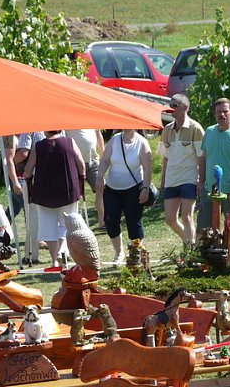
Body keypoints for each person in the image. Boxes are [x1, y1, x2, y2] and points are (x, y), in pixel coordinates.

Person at [23, 130, 85, 267]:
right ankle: (62, 249)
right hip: (68, 190)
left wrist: (27, 176)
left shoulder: (38, 146)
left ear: (46, 131)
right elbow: (81, 164)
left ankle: (54, 261)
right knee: (67, 222)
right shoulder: (70, 142)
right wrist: (81, 179)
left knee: (47, 225)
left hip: (44, 192)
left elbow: (28, 170)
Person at [96, 129, 153, 264]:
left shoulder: (142, 143)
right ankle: (119, 252)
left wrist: (145, 188)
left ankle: (136, 253)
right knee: (110, 222)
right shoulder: (114, 139)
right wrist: (99, 176)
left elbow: (147, 169)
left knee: (134, 223)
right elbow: (105, 160)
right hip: (112, 188)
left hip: (134, 188)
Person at [196, 97, 230, 233]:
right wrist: (201, 182)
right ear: (214, 114)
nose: (221, 115)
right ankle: (203, 254)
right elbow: (203, 158)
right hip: (210, 191)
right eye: (218, 112)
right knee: (204, 231)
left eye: (225, 111)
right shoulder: (209, 132)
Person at [158, 94, 204, 245]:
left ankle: (187, 252)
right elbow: (165, 157)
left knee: (187, 216)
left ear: (185, 107)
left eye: (175, 105)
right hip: (172, 179)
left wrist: (200, 179)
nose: (171, 108)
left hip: (189, 178)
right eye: (170, 105)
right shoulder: (167, 130)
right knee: (170, 219)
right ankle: (193, 244)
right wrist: (163, 178)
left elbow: (201, 157)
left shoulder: (195, 128)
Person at [14, 132, 45, 265]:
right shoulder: (58, 129)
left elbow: (23, 153)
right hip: (54, 177)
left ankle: (31, 255)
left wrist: (9, 161)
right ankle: (63, 254)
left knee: (33, 217)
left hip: (34, 178)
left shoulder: (29, 130)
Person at [68, 129, 106, 230]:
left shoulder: (91, 116)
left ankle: (103, 222)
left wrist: (105, 155)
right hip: (74, 162)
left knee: (102, 188)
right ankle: (74, 225)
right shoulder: (68, 117)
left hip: (93, 161)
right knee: (75, 194)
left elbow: (98, 134)